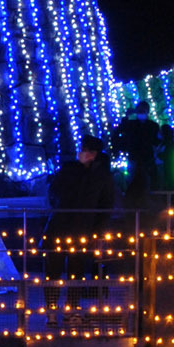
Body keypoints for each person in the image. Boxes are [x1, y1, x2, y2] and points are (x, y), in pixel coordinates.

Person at [43, 134, 115, 328]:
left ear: (92, 154)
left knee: (65, 271)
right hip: (71, 228)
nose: (82, 153)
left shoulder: (94, 175)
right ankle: (59, 310)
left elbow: (105, 205)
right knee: (62, 270)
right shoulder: (84, 173)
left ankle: (63, 310)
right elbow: (105, 206)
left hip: (69, 227)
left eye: (85, 150)